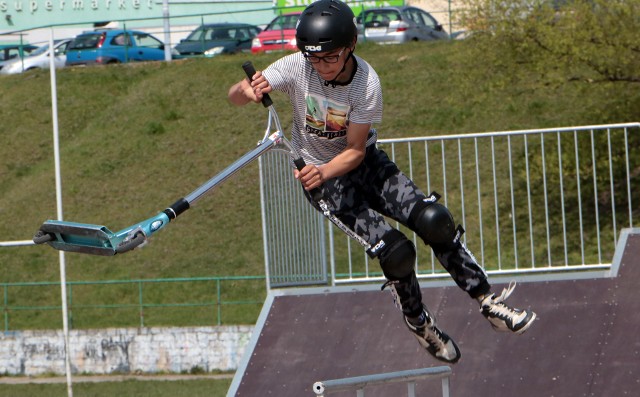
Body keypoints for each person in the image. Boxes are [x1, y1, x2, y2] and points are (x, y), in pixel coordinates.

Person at [228, 0, 535, 364]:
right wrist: (247, 89)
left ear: (351, 46)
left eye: (329, 58)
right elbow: (234, 95)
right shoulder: (297, 66)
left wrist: (324, 170)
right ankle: (419, 322)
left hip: (361, 164)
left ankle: (488, 301)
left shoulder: (366, 84)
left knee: (434, 220)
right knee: (397, 252)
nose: (321, 67)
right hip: (326, 185)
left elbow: (356, 151)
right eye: (314, 58)